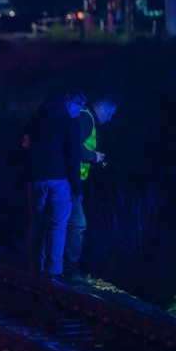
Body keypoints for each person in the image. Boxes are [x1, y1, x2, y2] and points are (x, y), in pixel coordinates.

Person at [26, 89, 85, 280]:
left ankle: (35, 268)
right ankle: (53, 272)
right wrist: (77, 188)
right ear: (72, 103)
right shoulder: (70, 123)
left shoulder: (35, 119)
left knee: (37, 224)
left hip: (35, 179)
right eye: (80, 108)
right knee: (58, 226)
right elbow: (73, 158)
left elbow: (25, 147)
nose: (79, 113)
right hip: (60, 181)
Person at [64, 97, 118, 280]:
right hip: (70, 180)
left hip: (71, 180)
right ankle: (69, 269)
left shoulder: (87, 118)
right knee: (78, 224)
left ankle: (51, 265)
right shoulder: (87, 119)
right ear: (101, 108)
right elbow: (75, 148)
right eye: (109, 114)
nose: (110, 119)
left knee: (59, 222)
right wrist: (94, 156)